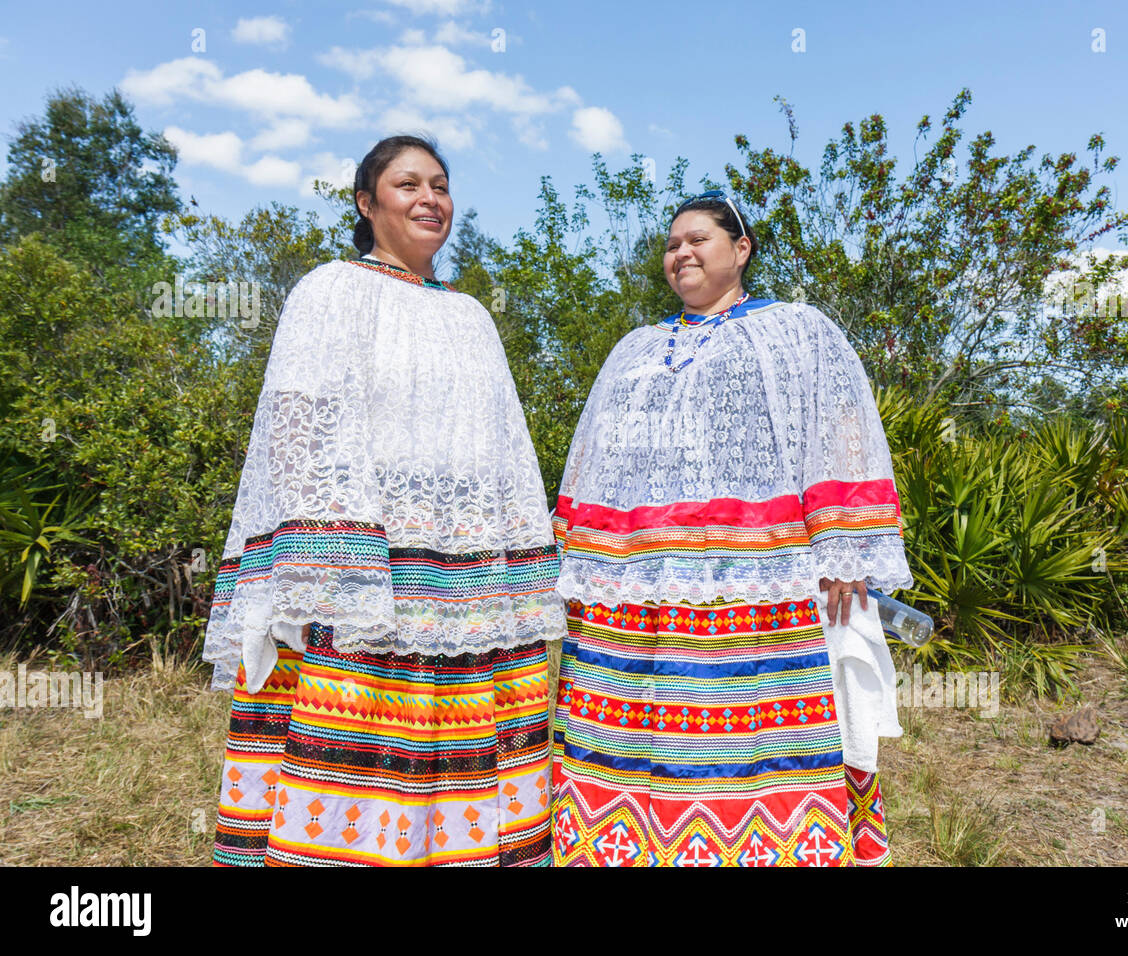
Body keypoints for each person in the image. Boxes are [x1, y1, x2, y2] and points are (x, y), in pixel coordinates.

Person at [201, 135, 563, 866]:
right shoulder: (332, 289)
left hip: (464, 581)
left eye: (440, 184)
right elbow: (297, 424)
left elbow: (504, 451)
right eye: (407, 185)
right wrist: (332, 569)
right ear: (367, 204)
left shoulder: (471, 317)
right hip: (365, 576)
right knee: (353, 760)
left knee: (456, 758)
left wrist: (511, 568)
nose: (430, 198)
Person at [549, 190, 912, 866]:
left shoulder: (795, 331)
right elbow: (592, 459)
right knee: (637, 731)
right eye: (670, 245)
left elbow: (839, 436)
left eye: (698, 240)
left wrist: (845, 555)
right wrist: (572, 561)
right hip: (635, 589)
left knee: (745, 740)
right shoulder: (635, 347)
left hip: (757, 586)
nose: (680, 252)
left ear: (741, 250)